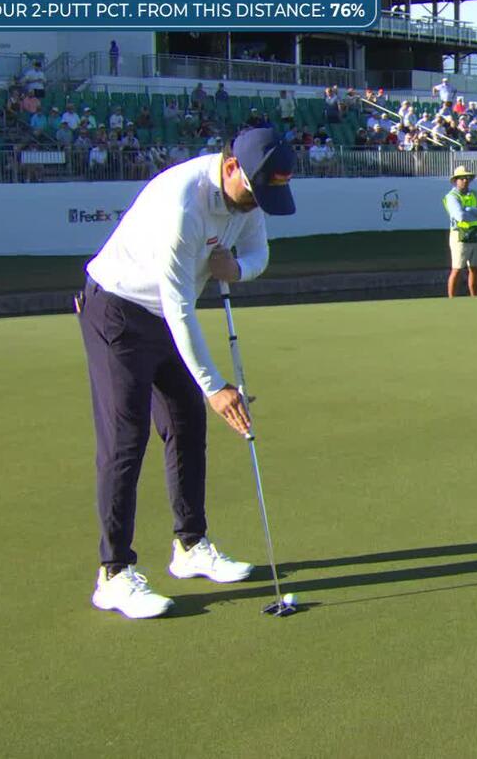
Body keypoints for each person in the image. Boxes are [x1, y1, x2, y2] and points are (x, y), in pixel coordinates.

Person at [78, 128, 296, 620]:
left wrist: (234, 269)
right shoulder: (183, 204)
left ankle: (190, 546)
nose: (257, 204)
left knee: (186, 427)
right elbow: (178, 305)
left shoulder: (250, 198)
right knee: (126, 440)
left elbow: (259, 255)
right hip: (119, 311)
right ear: (232, 167)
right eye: (255, 192)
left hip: (167, 318)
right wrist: (216, 386)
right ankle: (112, 575)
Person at [443, 164, 477, 298]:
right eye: (462, 178)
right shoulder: (452, 196)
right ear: (455, 180)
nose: (465, 180)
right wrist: (476, 213)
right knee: (457, 269)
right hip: (460, 236)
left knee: (475, 269)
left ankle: (474, 298)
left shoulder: (475, 194)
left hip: (476, 234)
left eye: (467, 178)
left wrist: (469, 210)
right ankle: (451, 299)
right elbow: (459, 216)